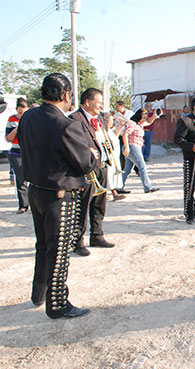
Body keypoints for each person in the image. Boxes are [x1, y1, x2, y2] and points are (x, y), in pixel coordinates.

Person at [17, 73, 97, 318]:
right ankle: (58, 304)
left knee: (43, 245)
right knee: (59, 251)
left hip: (36, 190)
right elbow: (86, 163)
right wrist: (93, 153)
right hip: (59, 195)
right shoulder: (66, 124)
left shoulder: (29, 116)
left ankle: (38, 294)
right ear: (65, 95)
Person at [69, 88, 117, 257]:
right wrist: (85, 148)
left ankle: (97, 235)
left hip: (102, 165)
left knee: (99, 203)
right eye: (99, 102)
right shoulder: (75, 118)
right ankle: (78, 241)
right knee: (82, 205)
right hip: (86, 168)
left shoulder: (100, 118)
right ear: (88, 102)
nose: (101, 106)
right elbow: (71, 143)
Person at [121, 109, 160, 194]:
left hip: (134, 147)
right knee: (142, 167)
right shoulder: (133, 124)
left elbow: (149, 122)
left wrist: (154, 114)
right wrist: (127, 148)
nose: (146, 115)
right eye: (145, 114)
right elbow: (125, 134)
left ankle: (119, 186)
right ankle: (148, 187)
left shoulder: (140, 124)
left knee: (127, 169)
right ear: (140, 115)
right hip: (132, 147)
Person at [5, 97, 29, 213]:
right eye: (19, 113)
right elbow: (8, 138)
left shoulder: (30, 119)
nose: (21, 115)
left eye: (23, 113)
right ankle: (23, 205)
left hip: (29, 152)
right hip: (16, 153)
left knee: (34, 179)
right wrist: (16, 129)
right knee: (20, 180)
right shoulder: (12, 119)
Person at [100, 112, 126, 201]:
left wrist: (120, 127)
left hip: (114, 156)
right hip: (109, 158)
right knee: (109, 175)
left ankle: (110, 193)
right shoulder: (103, 131)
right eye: (111, 120)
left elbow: (115, 137)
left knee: (112, 175)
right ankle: (114, 193)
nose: (113, 122)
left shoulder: (109, 130)